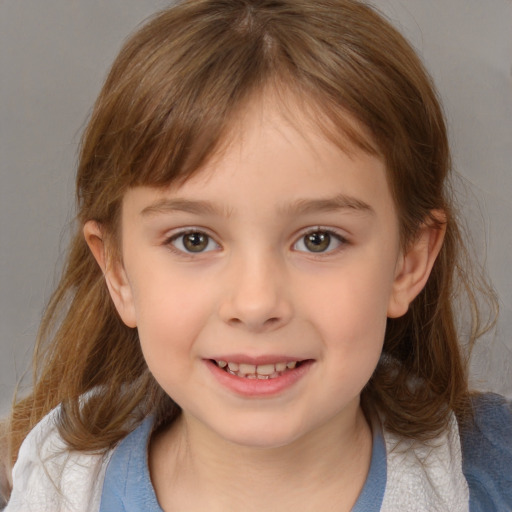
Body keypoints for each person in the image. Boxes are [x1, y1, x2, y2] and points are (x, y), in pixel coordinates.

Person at [2, 0, 511, 510]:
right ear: (118, 271)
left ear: (408, 262)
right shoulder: (51, 487)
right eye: (193, 240)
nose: (255, 302)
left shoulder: (492, 474)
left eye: (319, 239)